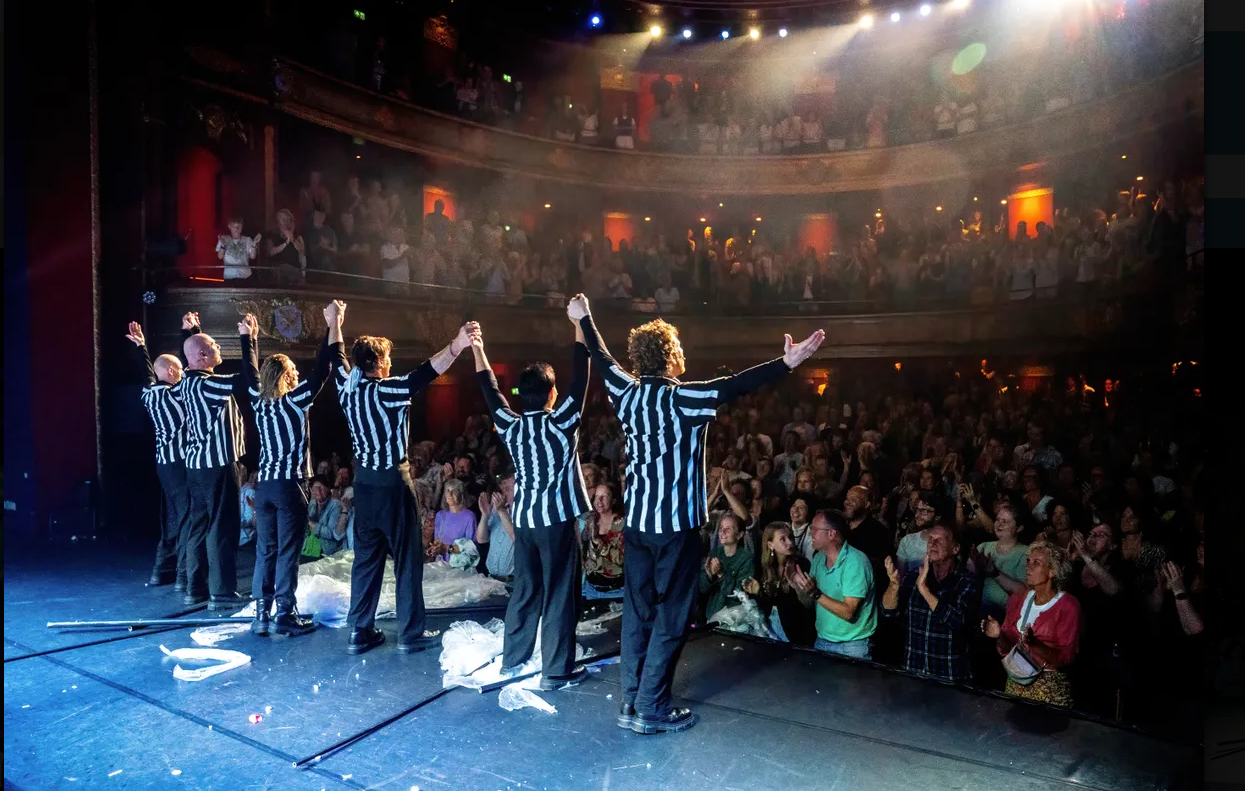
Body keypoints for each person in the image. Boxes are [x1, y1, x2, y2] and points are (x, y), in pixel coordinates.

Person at [570, 293, 825, 735]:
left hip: (639, 528)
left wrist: (585, 318)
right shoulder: (685, 398)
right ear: (670, 356)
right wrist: (786, 363)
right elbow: (736, 385)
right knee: (671, 616)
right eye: (679, 348)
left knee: (637, 614)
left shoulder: (625, 392)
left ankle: (631, 701)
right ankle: (652, 707)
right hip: (675, 529)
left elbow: (602, 356)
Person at [335, 316, 480, 655]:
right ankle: (410, 634)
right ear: (377, 362)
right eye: (386, 358)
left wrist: (335, 324)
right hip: (391, 483)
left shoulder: (347, 390)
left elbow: (337, 357)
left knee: (366, 560)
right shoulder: (386, 390)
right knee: (407, 557)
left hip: (364, 486)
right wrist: (458, 344)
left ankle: (360, 631)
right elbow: (425, 373)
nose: (390, 363)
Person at [471, 319, 592, 690]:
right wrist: (579, 324)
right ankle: (556, 670)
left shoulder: (512, 426)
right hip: (556, 521)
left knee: (525, 590)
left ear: (522, 395)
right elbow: (581, 378)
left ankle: (514, 659)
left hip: (525, 521)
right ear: (551, 394)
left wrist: (478, 347)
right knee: (559, 593)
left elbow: (490, 389)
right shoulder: (562, 423)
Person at [240, 302, 344, 636]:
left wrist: (248, 339)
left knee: (265, 550)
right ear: (285, 377)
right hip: (289, 486)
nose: (298, 375)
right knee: (287, 551)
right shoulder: (294, 400)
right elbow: (323, 370)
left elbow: (250, 371)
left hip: (265, 487)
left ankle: (262, 613)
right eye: (293, 371)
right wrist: (332, 326)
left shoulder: (258, 402)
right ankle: (284, 613)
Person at [176, 313, 252, 611]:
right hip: (217, 464)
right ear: (203, 356)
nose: (220, 347)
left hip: (195, 466)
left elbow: (193, 352)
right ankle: (220, 592)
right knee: (222, 526)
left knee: (199, 526)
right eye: (215, 346)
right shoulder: (209, 385)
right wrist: (247, 339)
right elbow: (248, 379)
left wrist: (194, 331)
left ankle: (195, 588)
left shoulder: (186, 381)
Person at [124, 318, 192, 589]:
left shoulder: (150, 395)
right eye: (179, 370)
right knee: (186, 518)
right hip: (181, 463)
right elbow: (188, 369)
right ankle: (184, 576)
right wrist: (188, 334)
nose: (183, 373)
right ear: (173, 372)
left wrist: (141, 346)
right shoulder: (179, 395)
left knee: (170, 517)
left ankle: (160, 571)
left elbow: (149, 375)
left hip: (164, 464)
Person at [982, 543, 1081, 707]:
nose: (1028, 566)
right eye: (1028, 561)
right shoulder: (1018, 599)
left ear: (1053, 571)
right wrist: (999, 635)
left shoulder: (1068, 605)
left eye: (1037, 563)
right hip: (1016, 683)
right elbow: (1006, 649)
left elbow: (1065, 658)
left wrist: (1035, 644)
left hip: (1049, 690)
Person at [881, 524, 979, 683]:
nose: (932, 543)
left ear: (955, 549)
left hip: (950, 674)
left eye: (940, 540)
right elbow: (888, 612)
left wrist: (924, 589)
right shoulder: (913, 576)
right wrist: (893, 586)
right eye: (931, 539)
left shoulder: (966, 581)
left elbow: (958, 622)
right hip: (914, 671)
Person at [792, 509, 878, 659]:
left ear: (831, 534)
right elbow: (811, 604)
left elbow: (848, 612)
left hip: (853, 645)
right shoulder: (819, 559)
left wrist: (815, 593)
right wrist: (797, 586)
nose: (810, 533)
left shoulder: (855, 562)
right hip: (823, 639)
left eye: (815, 529)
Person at [744, 522, 816, 645]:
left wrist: (760, 591)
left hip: (798, 635)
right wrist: (754, 591)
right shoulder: (763, 568)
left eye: (790, 537)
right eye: (783, 539)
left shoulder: (801, 565)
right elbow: (763, 606)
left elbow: (799, 606)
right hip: (770, 632)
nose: (790, 542)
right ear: (770, 545)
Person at [699, 514, 755, 619]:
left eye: (728, 529)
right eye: (721, 528)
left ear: (739, 535)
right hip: (712, 617)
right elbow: (702, 588)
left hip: (735, 618)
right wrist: (709, 576)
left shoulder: (746, 558)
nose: (722, 532)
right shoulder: (715, 553)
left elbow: (739, 594)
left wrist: (721, 574)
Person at [475, 478, 516, 579]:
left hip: (513, 581)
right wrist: (485, 515)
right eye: (502, 489)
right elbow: (481, 539)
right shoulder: (497, 510)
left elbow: (517, 539)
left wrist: (501, 511)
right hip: (492, 578)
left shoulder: (524, 513)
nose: (504, 493)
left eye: (508, 489)